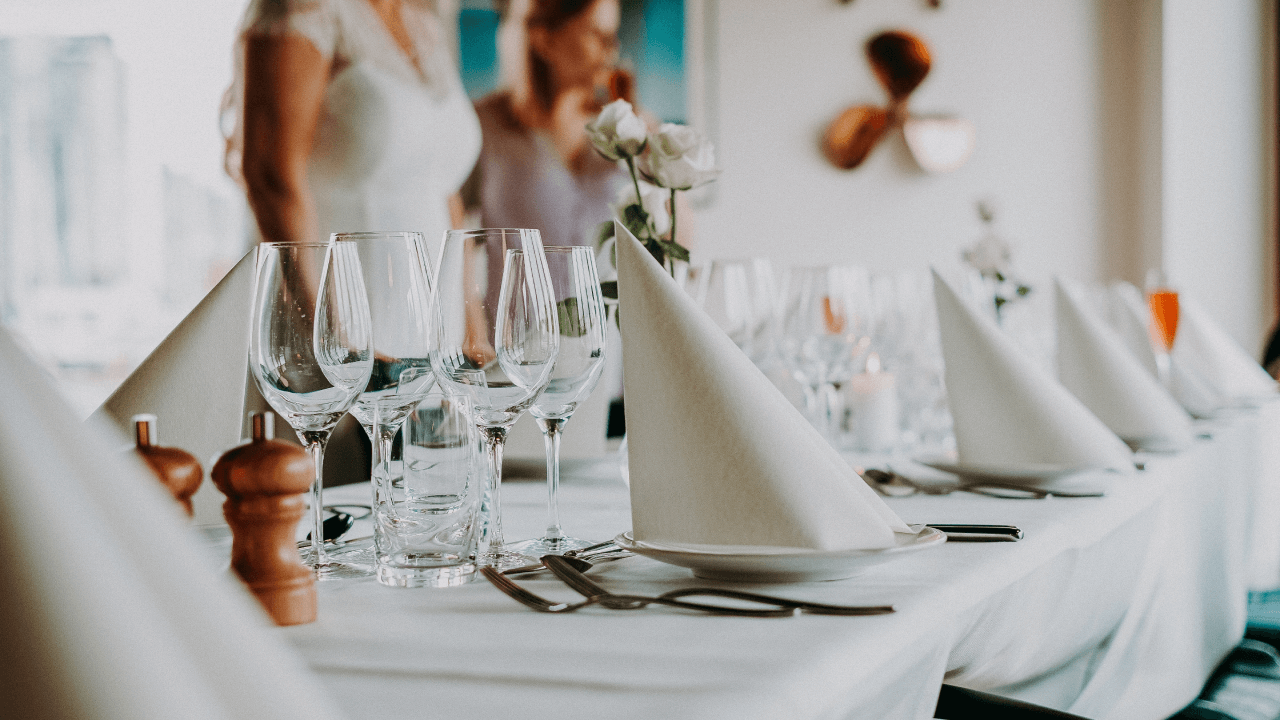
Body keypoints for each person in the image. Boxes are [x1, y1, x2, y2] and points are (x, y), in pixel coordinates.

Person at [223, 0, 481, 247]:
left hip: (437, 290)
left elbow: (442, 186)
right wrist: (311, 294)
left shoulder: (423, 22)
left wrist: (466, 290)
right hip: (341, 284)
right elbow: (271, 177)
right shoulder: (306, 8)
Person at [462, 0, 638, 313]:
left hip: (609, 342)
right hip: (517, 346)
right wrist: (472, 331)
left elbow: (672, 237)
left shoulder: (625, 128)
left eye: (613, 34)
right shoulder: (483, 127)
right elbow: (451, 235)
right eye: (596, 33)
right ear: (545, 40)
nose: (612, 48)